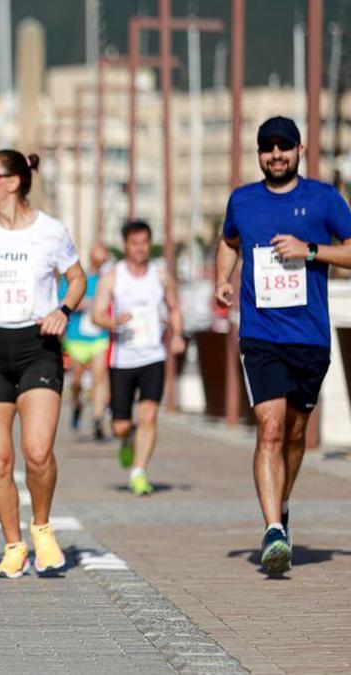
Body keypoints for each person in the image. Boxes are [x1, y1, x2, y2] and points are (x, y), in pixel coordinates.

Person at [215, 116, 351, 575]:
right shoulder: (243, 200)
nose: (276, 155)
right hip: (261, 336)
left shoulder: (324, 200)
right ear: (259, 154)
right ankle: (274, 529)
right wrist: (222, 279)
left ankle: (284, 502)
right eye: (267, 148)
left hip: (309, 336)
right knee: (269, 428)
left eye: (284, 147)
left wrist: (310, 251)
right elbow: (228, 241)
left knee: (295, 434)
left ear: (300, 149)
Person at [0, 150, 85, 579]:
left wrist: (63, 308)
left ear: (13, 182)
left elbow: (76, 278)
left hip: (36, 344)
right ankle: (13, 545)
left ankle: (41, 526)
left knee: (38, 452)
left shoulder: (50, 231)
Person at [91, 220, 185, 496]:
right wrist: (113, 321)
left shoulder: (160, 276)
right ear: (125, 246)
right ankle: (126, 439)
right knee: (120, 425)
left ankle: (139, 472)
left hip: (153, 355)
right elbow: (96, 315)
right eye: (134, 244)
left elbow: (174, 306)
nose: (140, 249)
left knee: (149, 414)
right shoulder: (113, 277)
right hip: (122, 359)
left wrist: (178, 334)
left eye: (144, 243)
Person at [61, 243, 111, 440]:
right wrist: (82, 304)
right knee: (77, 383)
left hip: (99, 336)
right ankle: (77, 406)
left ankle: (98, 418)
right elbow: (63, 302)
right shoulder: (77, 278)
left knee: (100, 377)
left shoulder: (107, 281)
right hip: (76, 337)